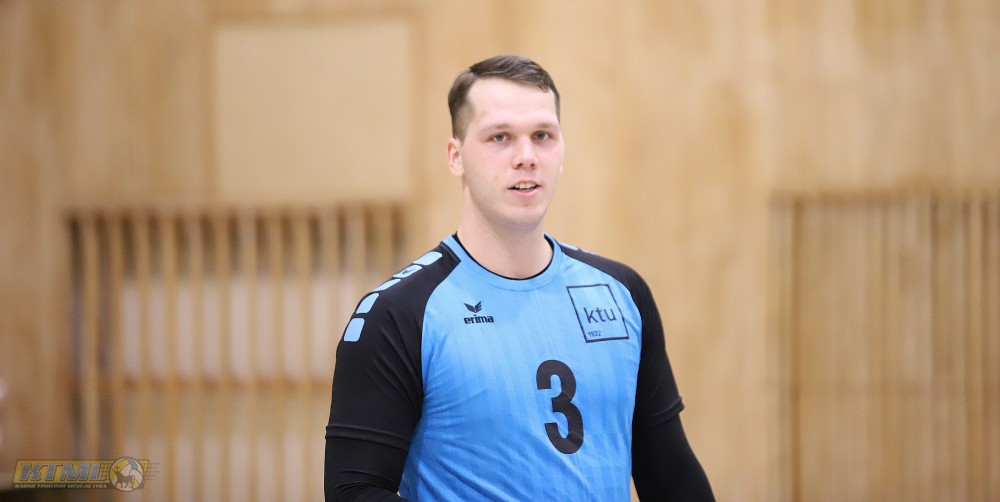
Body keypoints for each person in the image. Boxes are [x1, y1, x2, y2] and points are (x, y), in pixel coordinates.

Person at [325, 54, 714, 501]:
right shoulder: (399, 314)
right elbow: (353, 491)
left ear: (561, 150)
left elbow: (672, 477)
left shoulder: (621, 293)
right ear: (456, 157)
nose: (526, 157)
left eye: (542, 136)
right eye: (500, 137)